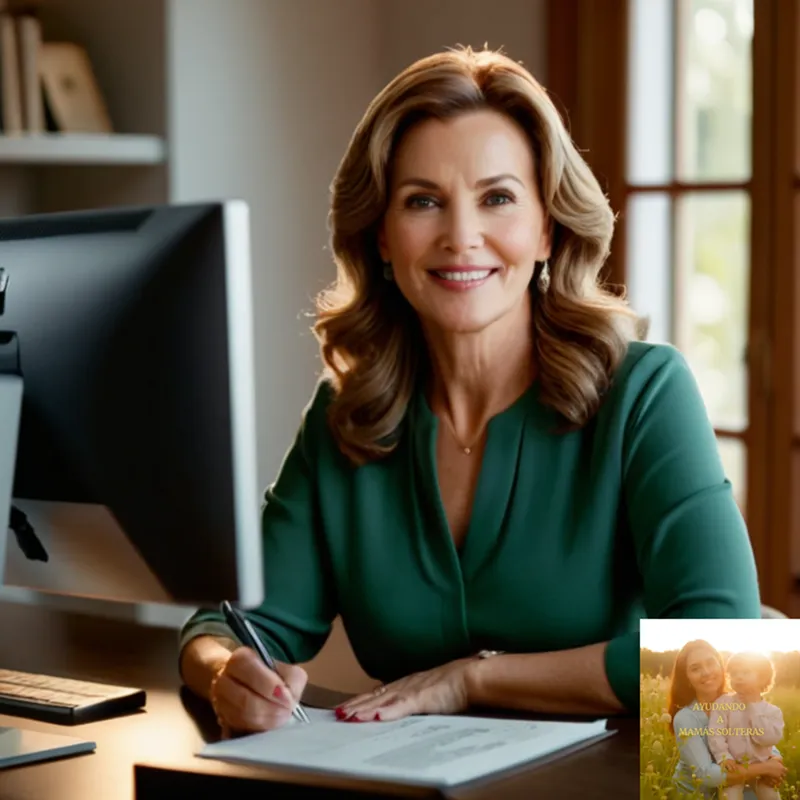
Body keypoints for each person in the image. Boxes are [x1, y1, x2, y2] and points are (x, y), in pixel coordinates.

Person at [178, 46, 763, 735]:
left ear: (547, 228)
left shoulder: (644, 392)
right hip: (425, 784)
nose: (461, 237)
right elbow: (233, 622)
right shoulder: (349, 416)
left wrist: (469, 679)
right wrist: (223, 672)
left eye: (498, 198)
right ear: (383, 240)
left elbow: (723, 647)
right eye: (423, 201)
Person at [668, 641, 786, 798]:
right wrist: (765, 768)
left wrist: (775, 759)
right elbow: (706, 774)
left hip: (741, 783)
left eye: (711, 663)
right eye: (695, 669)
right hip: (699, 793)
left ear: (721, 667)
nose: (706, 672)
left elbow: (760, 739)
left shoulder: (740, 701)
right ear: (687, 678)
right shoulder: (685, 718)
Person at [707, 652, 785, 800]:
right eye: (734, 673)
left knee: (772, 797)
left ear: (762, 678)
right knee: (729, 797)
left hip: (762, 769)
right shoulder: (723, 704)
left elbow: (767, 739)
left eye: (745, 672)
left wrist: (753, 707)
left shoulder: (773, 712)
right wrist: (724, 757)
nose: (739, 677)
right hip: (734, 767)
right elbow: (716, 733)